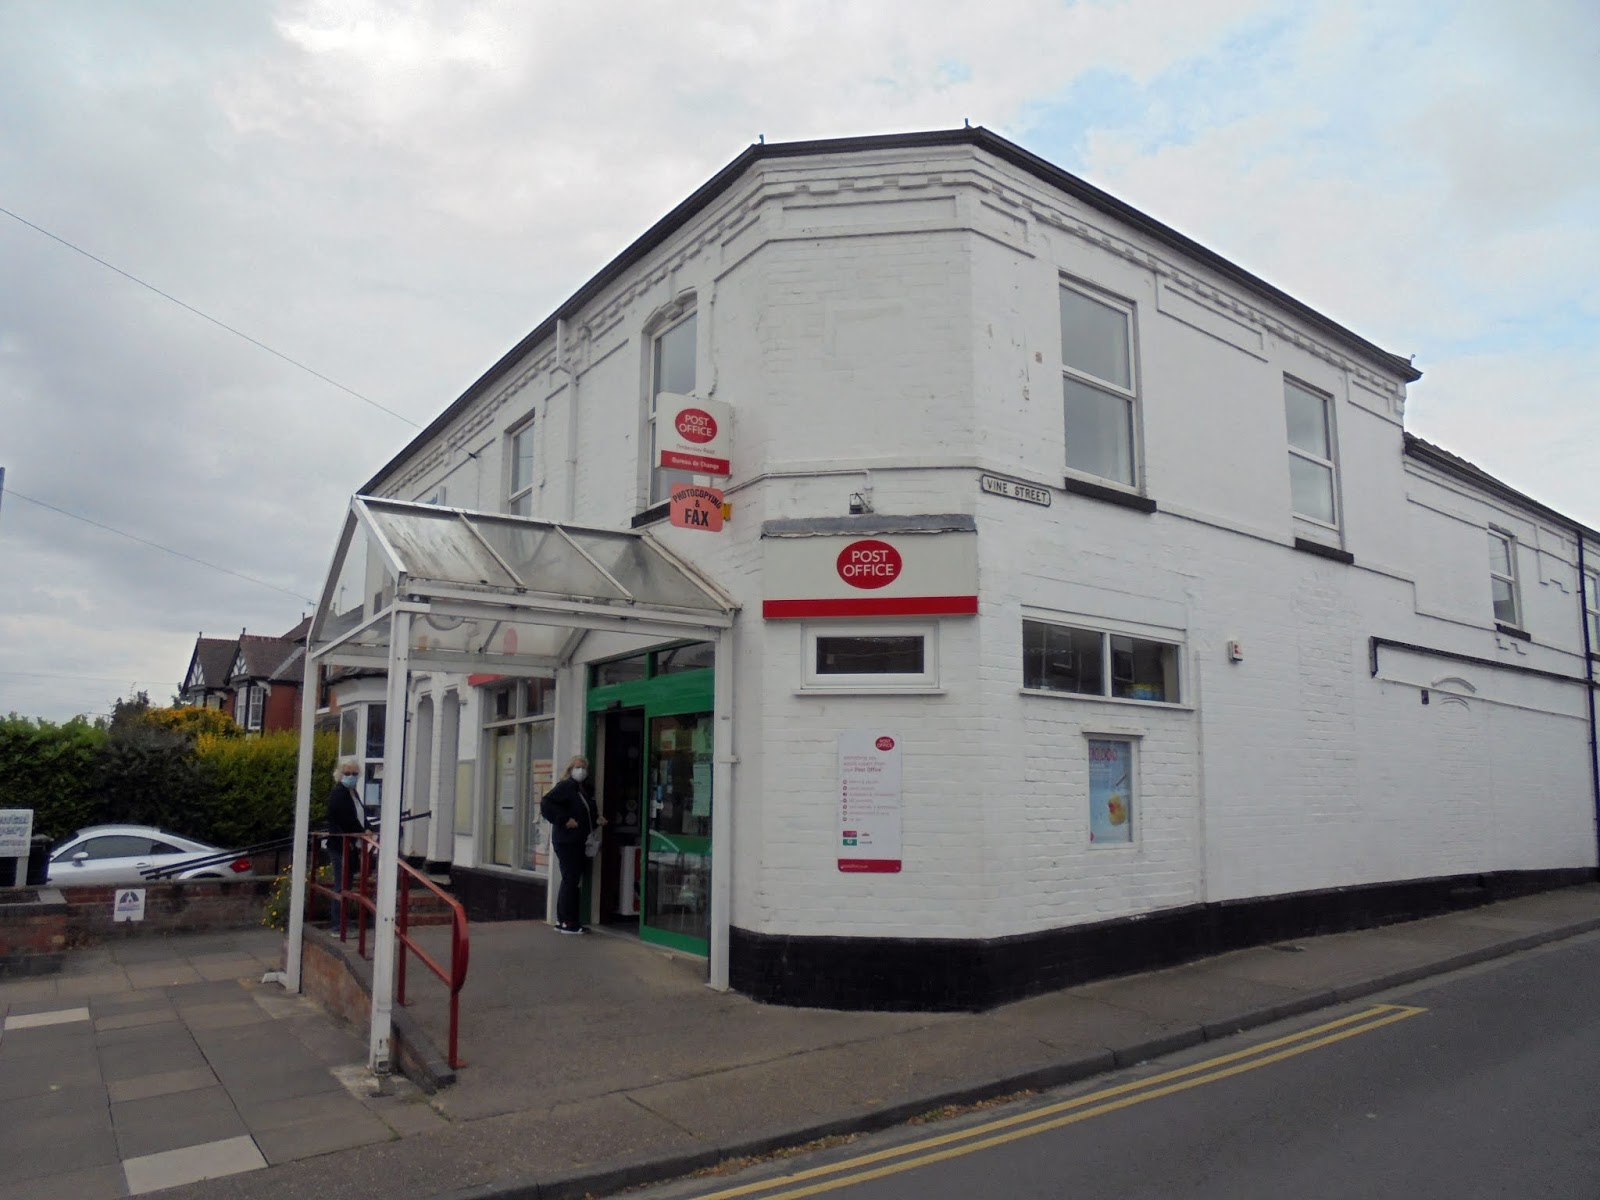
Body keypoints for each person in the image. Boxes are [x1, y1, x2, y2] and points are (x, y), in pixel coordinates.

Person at [541, 755, 603, 934]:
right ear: (570, 769)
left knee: (570, 880)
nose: (581, 770)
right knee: (571, 880)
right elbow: (546, 804)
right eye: (577, 767)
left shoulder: (584, 790)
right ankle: (569, 922)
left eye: (584, 767)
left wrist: (597, 819)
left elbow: (584, 814)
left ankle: (564, 920)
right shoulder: (566, 787)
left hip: (578, 840)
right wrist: (564, 820)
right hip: (567, 841)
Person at [325, 757, 366, 898]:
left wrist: (368, 827)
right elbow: (345, 818)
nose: (351, 777)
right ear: (340, 774)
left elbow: (360, 814)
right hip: (340, 845)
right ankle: (338, 920)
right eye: (347, 774)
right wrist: (362, 831)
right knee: (341, 885)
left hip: (350, 845)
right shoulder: (339, 792)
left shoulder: (353, 793)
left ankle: (343, 918)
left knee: (346, 884)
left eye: (354, 774)